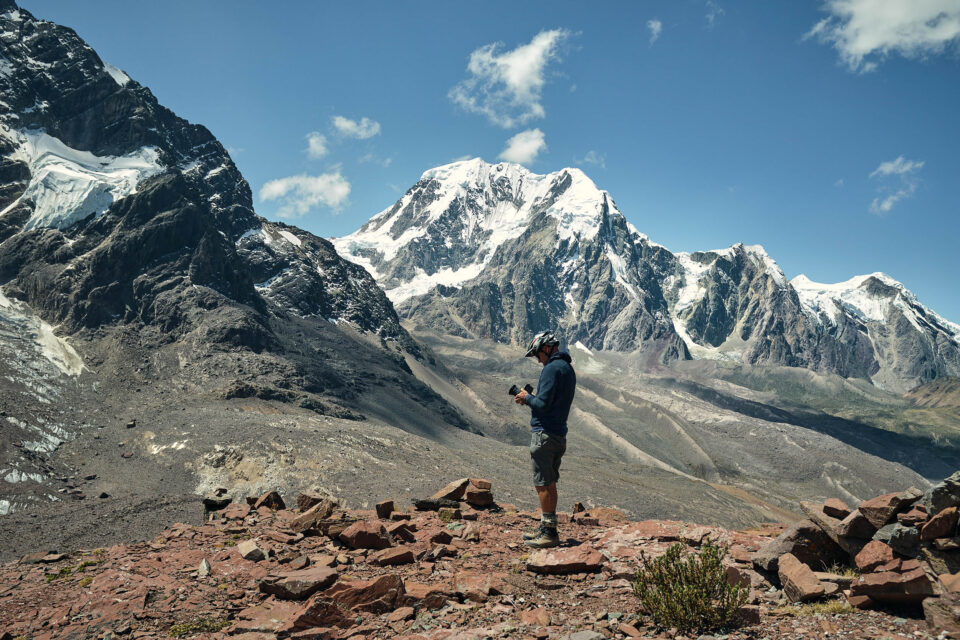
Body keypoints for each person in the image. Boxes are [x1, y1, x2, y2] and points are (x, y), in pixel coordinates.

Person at [514, 330, 576, 548]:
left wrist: (526, 397)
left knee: (542, 483)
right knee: (550, 482)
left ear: (547, 349)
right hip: (559, 434)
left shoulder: (551, 369)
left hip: (544, 435)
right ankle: (547, 527)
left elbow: (542, 404)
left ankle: (549, 533)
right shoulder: (567, 368)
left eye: (538, 354)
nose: (539, 360)